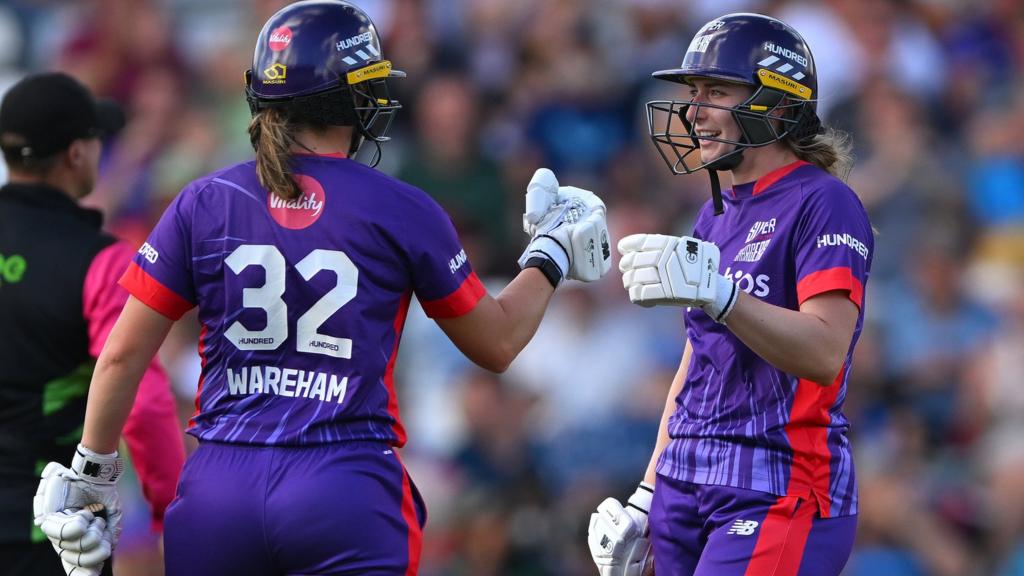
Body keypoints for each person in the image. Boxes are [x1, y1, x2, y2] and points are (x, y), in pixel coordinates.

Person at [34, 2, 611, 576]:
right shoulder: (400, 207)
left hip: (218, 492)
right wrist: (550, 253)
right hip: (343, 488)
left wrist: (93, 472)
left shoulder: (204, 200)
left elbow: (121, 356)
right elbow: (499, 341)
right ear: (348, 98)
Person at [587, 13, 872, 576]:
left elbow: (823, 353)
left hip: (777, 482)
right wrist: (647, 492)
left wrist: (724, 297)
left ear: (776, 102)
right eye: (694, 93)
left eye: (715, 91)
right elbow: (698, 362)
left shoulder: (824, 201)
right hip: (686, 479)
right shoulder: (713, 213)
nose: (694, 111)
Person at [0, 72, 185, 576]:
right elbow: (141, 400)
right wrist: (177, 515)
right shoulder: (100, 262)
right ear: (76, 154)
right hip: (51, 538)